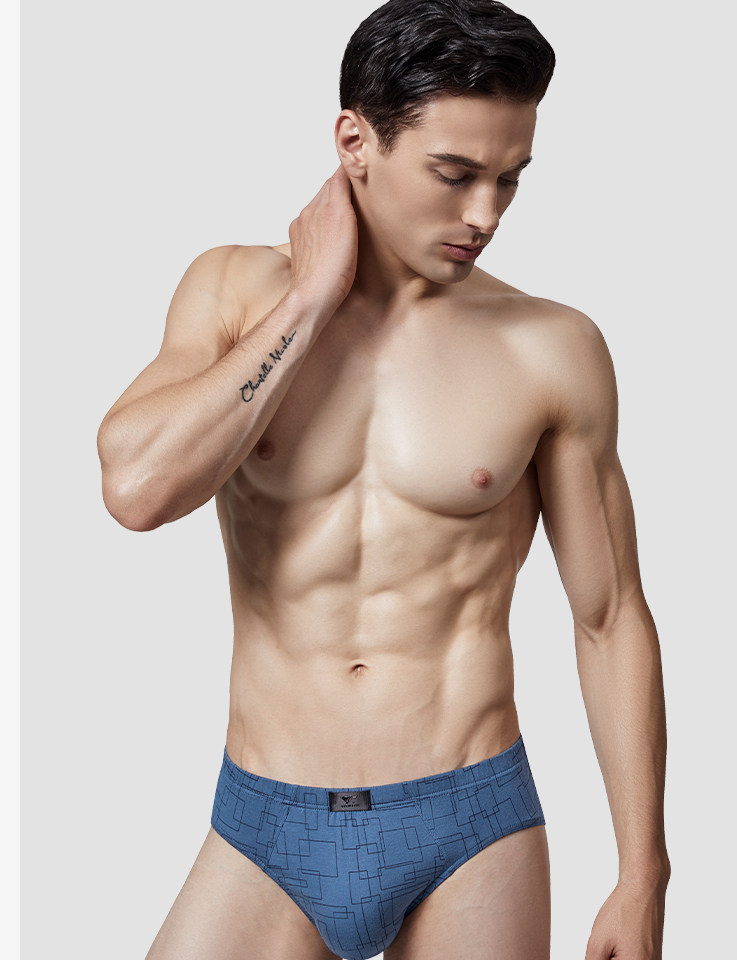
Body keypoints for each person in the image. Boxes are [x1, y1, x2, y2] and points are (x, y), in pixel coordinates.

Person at [97, 1, 670, 957]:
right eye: (455, 174)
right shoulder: (233, 291)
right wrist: (309, 302)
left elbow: (609, 617)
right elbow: (137, 488)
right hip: (264, 821)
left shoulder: (551, 347)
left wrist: (643, 874)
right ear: (355, 142)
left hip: (470, 824)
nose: (485, 214)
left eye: (509, 179)